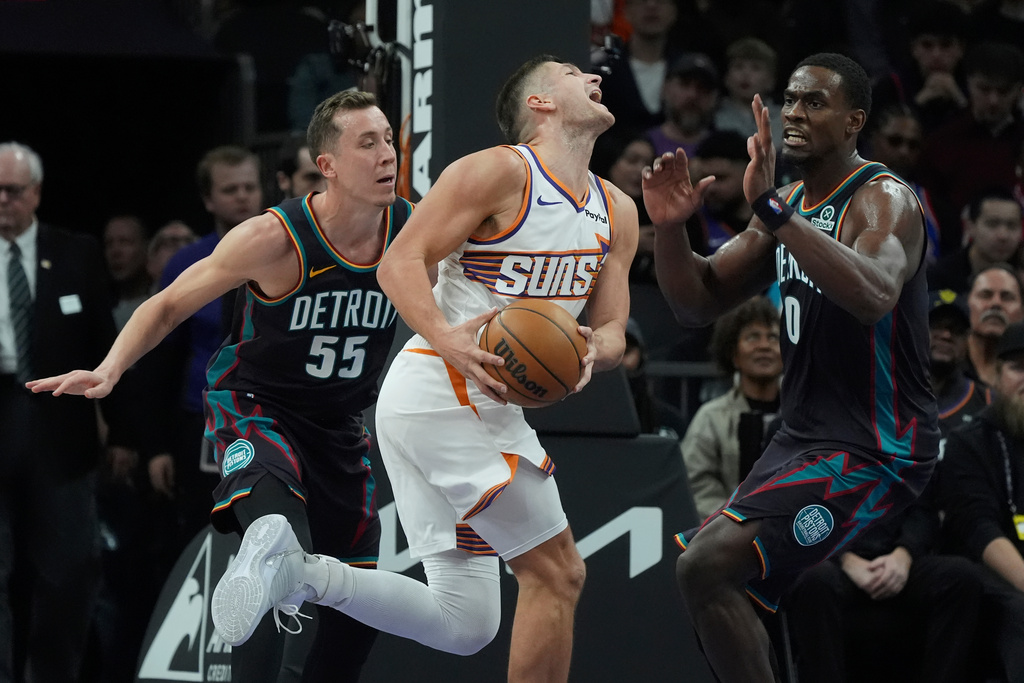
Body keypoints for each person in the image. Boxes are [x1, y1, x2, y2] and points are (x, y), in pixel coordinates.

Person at [195, 55, 639, 683]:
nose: (593, 76)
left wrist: (592, 349)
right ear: (540, 102)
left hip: (490, 407)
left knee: (466, 624)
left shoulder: (617, 209)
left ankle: (297, 573)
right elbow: (397, 264)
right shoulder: (494, 172)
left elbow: (616, 327)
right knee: (558, 571)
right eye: (572, 72)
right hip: (441, 385)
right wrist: (449, 341)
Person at [27, 90, 413, 683]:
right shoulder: (274, 237)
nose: (387, 153)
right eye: (368, 143)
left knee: (359, 598)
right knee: (277, 541)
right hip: (259, 408)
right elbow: (168, 304)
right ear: (327, 164)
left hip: (339, 425)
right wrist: (110, 368)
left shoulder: (412, 230)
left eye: (388, 138)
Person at [643, 52, 939, 682]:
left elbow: (873, 295)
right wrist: (670, 229)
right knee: (706, 577)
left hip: (878, 444)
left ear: (855, 120)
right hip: (803, 437)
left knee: (706, 567)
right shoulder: (790, 202)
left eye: (814, 102)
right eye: (791, 100)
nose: (795, 114)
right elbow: (696, 304)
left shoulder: (884, 200)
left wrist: (776, 216)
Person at [0, 141, 134, 682]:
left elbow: (108, 345)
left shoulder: (75, 251)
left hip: (60, 421)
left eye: (11, 191)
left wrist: (122, 431)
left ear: (35, 193)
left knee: (70, 572)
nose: (2, 201)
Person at [148, 144, 263, 556]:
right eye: (231, 189)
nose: (243, 196)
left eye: (250, 186)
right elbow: (160, 363)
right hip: (200, 423)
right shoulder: (186, 263)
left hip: (273, 417)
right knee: (204, 533)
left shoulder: (292, 249)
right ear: (208, 198)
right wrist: (158, 446)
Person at [939, 321, 1024, 682]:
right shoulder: (968, 442)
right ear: (997, 376)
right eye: (1018, 368)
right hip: (988, 573)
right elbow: (980, 529)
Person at [681, 295, 782, 521]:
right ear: (733, 353)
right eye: (753, 337)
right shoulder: (710, 417)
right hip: (728, 540)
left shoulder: (805, 415)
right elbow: (695, 485)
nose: (764, 346)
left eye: (773, 337)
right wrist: (736, 522)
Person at [917, 41, 1024, 252]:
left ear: (1019, 91)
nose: (993, 100)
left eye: (1003, 92)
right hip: (951, 252)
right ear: (969, 84)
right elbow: (926, 209)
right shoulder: (942, 141)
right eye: (984, 89)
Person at [865, 104, 942, 264]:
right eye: (895, 141)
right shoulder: (844, 189)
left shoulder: (931, 203)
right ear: (874, 138)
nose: (904, 152)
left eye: (913, 145)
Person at [595, 0, 680, 138]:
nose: (651, 5)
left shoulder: (688, 70)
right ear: (626, 11)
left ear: (674, 11)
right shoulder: (603, 71)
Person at [927, 187, 1024, 294]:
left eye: (1012, 225)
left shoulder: (1020, 272)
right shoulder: (940, 277)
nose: (1003, 236)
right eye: (992, 224)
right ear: (970, 226)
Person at [927, 288, 991, 440]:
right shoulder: (886, 393)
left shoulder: (986, 402)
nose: (946, 335)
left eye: (957, 330)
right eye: (936, 326)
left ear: (967, 341)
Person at [646, 52, 721, 158]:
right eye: (684, 84)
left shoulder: (726, 152)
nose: (693, 95)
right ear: (665, 88)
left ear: (714, 97)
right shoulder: (642, 147)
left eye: (703, 87)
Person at [963, 263, 1024, 387]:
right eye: (985, 295)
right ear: (966, 304)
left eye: (1007, 297)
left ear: (1022, 311)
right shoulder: (946, 358)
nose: (996, 303)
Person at [102, 213, 151, 330]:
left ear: (145, 248)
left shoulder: (163, 301)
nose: (115, 252)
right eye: (109, 244)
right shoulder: (98, 308)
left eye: (124, 242)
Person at [275, 131, 327, 202]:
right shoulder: (271, 213)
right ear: (283, 180)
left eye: (331, 179)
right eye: (312, 178)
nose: (325, 187)